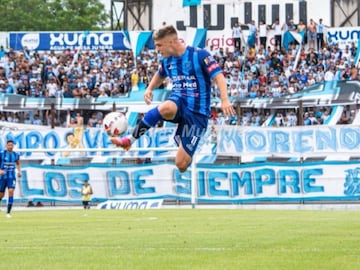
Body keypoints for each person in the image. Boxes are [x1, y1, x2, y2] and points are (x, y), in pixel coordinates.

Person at [111, 24, 235, 172]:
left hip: (197, 114)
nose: (157, 49)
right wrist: (150, 88)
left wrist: (224, 99)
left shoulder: (199, 55)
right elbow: (160, 74)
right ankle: (129, 141)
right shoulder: (167, 61)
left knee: (181, 164)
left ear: (171, 42)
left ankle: (186, 144)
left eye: (159, 45)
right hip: (178, 101)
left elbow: (219, 76)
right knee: (165, 107)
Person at [0, 140, 21, 218]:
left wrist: (19, 171)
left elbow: (18, 163)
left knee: (11, 191)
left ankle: (8, 212)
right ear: (6, 146)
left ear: (13, 146)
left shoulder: (16, 155)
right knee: (1, 195)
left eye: (11, 145)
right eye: (9, 145)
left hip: (11, 177)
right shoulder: (2, 154)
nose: (10, 146)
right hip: (2, 177)